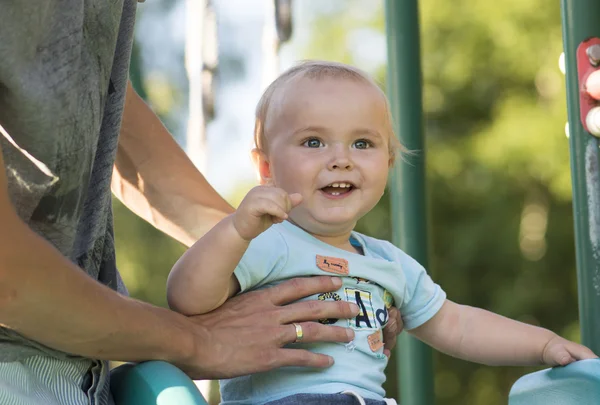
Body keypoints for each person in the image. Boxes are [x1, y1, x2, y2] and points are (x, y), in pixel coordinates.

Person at [0, 3, 402, 405]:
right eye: (313, 142)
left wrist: (290, 269)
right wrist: (199, 341)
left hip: (80, 375)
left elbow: (96, 102)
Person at [167, 60, 599, 405]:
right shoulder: (267, 241)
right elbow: (187, 297)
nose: (341, 159)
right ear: (266, 168)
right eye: (314, 142)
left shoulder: (388, 262)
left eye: (362, 144)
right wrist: (234, 229)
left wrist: (543, 346)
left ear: (388, 163)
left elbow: (459, 325)